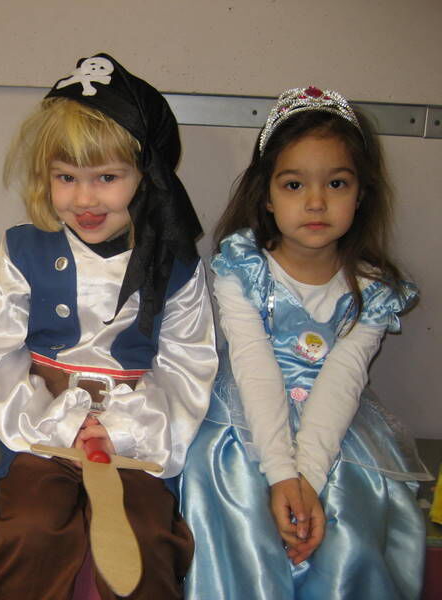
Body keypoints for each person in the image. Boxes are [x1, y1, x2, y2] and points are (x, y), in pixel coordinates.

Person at [0, 53, 218, 600]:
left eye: (107, 177)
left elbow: (187, 367)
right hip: (41, 431)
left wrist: (123, 429)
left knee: (145, 539)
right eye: (66, 177)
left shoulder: (177, 268)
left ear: (146, 179)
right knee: (33, 529)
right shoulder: (22, 251)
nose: (84, 198)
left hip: (139, 434)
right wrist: (54, 423)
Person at [180, 86, 431, 599]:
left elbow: (343, 381)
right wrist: (280, 476)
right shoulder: (243, 268)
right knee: (237, 507)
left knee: (349, 532)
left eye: (336, 183)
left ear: (361, 194)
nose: (316, 202)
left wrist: (308, 480)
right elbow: (253, 368)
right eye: (294, 184)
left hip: (334, 430)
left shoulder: (371, 289)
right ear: (267, 197)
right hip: (245, 421)